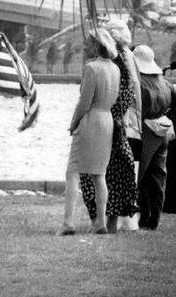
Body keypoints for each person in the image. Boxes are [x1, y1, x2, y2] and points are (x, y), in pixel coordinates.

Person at [80, 21, 140, 233]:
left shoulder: (111, 62)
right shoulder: (127, 58)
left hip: (104, 121)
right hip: (118, 125)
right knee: (116, 173)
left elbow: (100, 95)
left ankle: (100, 222)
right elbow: (130, 93)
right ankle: (111, 223)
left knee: (93, 173)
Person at [59, 30, 120, 236]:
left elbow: (84, 102)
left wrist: (73, 122)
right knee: (99, 174)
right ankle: (100, 221)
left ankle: (68, 222)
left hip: (91, 119)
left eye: (88, 44)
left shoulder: (91, 68)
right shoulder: (115, 69)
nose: (85, 48)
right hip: (107, 120)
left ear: (97, 46)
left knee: (72, 171)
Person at [134, 44, 176, 230]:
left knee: (140, 177)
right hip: (163, 132)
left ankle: (141, 219)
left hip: (145, 132)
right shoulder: (164, 83)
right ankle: (155, 220)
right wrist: (167, 116)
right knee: (158, 178)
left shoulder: (138, 84)